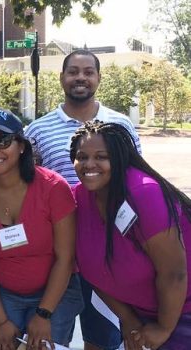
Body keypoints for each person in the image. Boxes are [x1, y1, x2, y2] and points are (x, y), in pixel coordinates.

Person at [24, 50, 142, 350]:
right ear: (62, 78)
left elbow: (136, 183)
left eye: (88, 72)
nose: (81, 77)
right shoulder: (37, 130)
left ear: (98, 78)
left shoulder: (121, 126)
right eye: (73, 71)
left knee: (102, 338)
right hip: (55, 256)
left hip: (108, 251)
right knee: (51, 339)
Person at [0, 109, 83, 350]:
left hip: (56, 293)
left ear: (21, 146)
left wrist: (44, 314)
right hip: (4, 296)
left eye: (3, 141)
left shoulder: (53, 187)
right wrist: (0, 320)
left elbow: (65, 258)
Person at [70, 121, 191, 350]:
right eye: (82, 157)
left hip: (182, 313)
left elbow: (174, 273)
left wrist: (163, 328)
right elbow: (92, 270)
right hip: (141, 315)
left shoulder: (144, 193)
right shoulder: (80, 198)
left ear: (119, 158)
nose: (89, 164)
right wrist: (127, 318)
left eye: (101, 156)